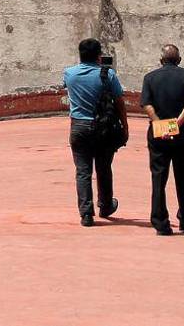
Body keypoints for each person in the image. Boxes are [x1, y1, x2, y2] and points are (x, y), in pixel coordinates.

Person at [63, 38, 128, 226]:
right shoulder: (109, 75)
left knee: (83, 171)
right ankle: (106, 205)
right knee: (104, 168)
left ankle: (86, 213)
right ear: (99, 55)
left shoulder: (69, 74)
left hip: (79, 126)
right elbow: (119, 102)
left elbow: (67, 87)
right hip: (103, 127)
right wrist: (125, 126)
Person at [140, 44, 184, 235]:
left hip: (158, 135)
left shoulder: (150, 78)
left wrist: (161, 125)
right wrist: (176, 125)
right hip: (182, 136)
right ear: (179, 60)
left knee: (158, 177)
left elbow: (146, 104)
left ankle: (160, 222)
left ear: (161, 61)